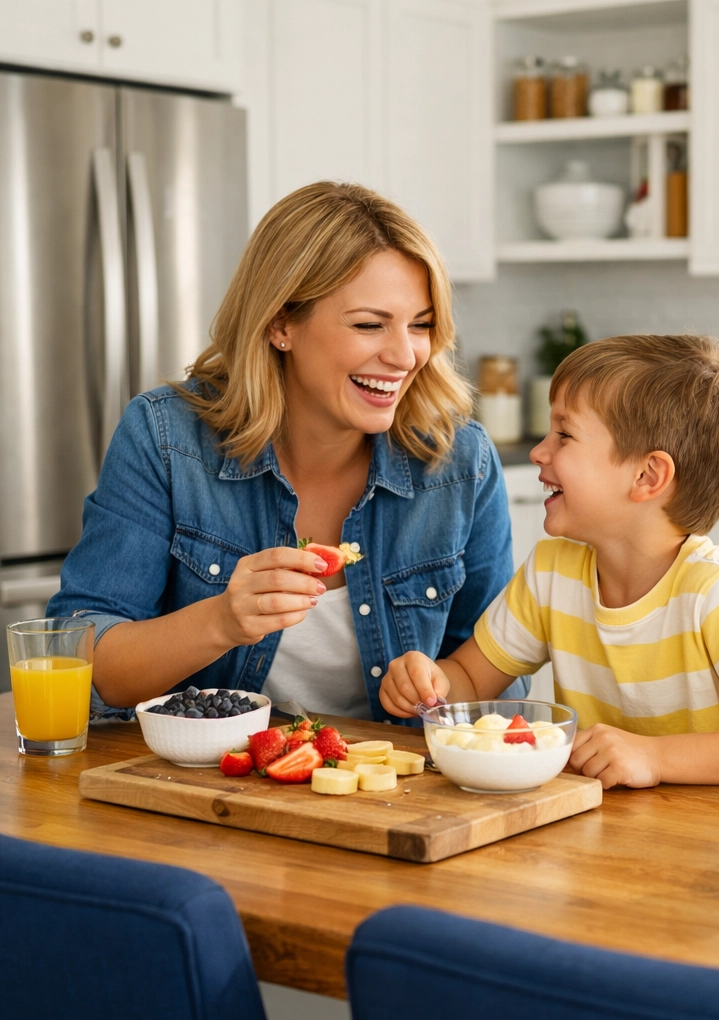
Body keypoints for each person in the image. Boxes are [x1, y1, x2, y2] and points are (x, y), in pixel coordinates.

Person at [49, 181, 526, 721]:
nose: (405, 355)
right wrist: (221, 621)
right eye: (369, 325)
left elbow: (499, 682)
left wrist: (437, 686)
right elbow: (84, 661)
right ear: (280, 324)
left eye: (421, 325)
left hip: (393, 793)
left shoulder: (459, 463)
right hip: (209, 788)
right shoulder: (167, 439)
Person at [380, 334, 719, 787]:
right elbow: (469, 678)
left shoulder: (717, 596)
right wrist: (431, 682)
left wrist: (654, 756)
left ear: (647, 475)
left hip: (711, 844)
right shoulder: (553, 571)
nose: (539, 451)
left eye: (564, 434)